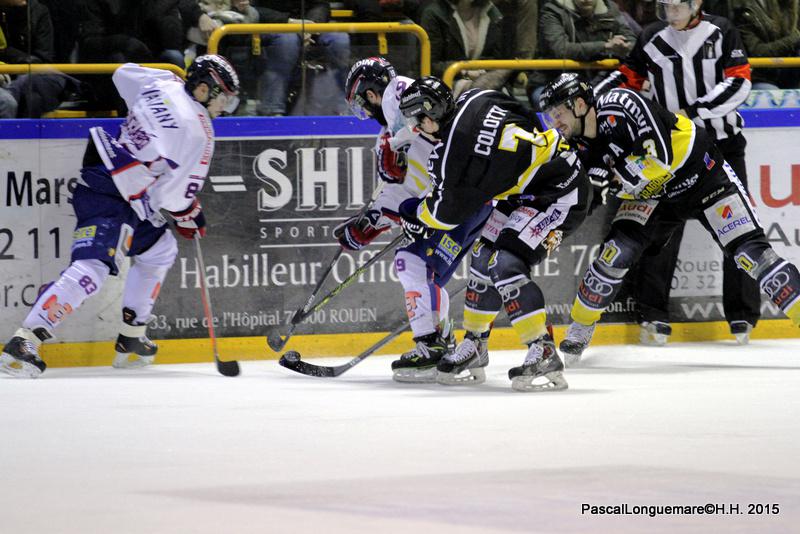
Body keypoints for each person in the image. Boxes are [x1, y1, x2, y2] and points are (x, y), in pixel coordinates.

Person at [0, 55, 240, 378]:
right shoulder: (199, 132)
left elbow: (123, 74)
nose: (225, 107)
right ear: (203, 89)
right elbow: (175, 197)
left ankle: (131, 339)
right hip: (114, 196)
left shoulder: (163, 83)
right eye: (224, 97)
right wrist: (188, 213)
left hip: (111, 180)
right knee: (92, 268)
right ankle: (24, 341)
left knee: (159, 248)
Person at [539, 73, 800, 366]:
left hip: (704, 178)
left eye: (557, 113)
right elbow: (582, 201)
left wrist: (612, 178)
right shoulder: (574, 148)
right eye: (550, 116)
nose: (554, 122)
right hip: (650, 195)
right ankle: (580, 328)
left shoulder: (621, 103)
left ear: (579, 105)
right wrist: (555, 225)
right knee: (612, 257)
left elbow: (658, 156)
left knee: (753, 255)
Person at [398, 77, 593, 392]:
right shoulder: (479, 96)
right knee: (482, 257)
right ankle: (476, 343)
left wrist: (414, 215)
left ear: (430, 114)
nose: (417, 127)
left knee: (505, 263)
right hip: (531, 182)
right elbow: (526, 116)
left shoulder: (450, 155)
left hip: (558, 190)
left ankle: (543, 349)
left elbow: (444, 214)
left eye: (417, 120)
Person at [595, 0, 760, 345]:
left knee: (739, 228)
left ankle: (742, 315)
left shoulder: (721, 31)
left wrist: (692, 112)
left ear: (695, 3)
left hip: (722, 146)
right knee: (659, 233)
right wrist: (590, 98)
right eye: (665, 4)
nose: (669, 9)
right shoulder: (652, 36)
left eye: (676, 4)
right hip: (673, 152)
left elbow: (739, 82)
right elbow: (627, 78)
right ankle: (653, 314)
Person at [336, 60, 491, 383]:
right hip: (462, 202)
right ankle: (441, 342)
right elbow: (404, 193)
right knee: (423, 272)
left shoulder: (398, 92)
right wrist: (368, 225)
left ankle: (431, 345)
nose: (366, 112)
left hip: (462, 199)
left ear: (370, 94)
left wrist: (393, 145)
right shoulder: (390, 130)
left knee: (411, 262)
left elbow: (426, 138)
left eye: (362, 103)